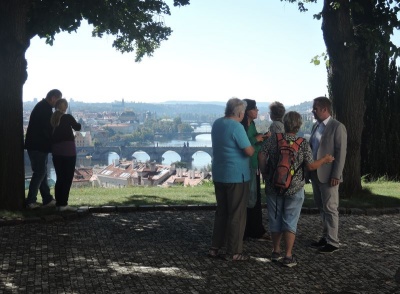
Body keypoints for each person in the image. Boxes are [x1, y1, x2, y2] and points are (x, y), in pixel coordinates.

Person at [259, 111, 334, 267]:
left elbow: (261, 154)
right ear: (299, 125)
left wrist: (265, 172)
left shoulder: (274, 139)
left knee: (275, 219)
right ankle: (288, 255)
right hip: (294, 188)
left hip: (273, 187)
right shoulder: (302, 143)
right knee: (290, 220)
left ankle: (275, 251)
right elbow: (311, 166)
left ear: (285, 124)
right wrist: (325, 160)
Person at [209, 98, 255, 261]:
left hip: (219, 174)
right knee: (237, 214)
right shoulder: (237, 127)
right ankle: (234, 252)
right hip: (237, 176)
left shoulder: (217, 123)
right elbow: (248, 151)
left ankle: (215, 247)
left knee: (222, 212)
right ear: (240, 113)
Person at [309, 97, 347, 254]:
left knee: (331, 208)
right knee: (322, 207)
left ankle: (333, 241)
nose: (313, 111)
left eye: (315, 109)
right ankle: (325, 236)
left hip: (330, 175)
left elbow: (341, 152)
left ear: (325, 109)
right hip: (316, 174)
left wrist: (336, 174)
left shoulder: (337, 127)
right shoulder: (315, 127)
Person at [25, 89, 62, 209]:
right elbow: (48, 129)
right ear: (53, 98)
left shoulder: (42, 107)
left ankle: (47, 199)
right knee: (39, 173)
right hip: (38, 146)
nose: (58, 103)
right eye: (58, 100)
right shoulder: (45, 110)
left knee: (42, 173)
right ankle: (30, 201)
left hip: (36, 146)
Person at [241, 99, 269, 241]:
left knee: (255, 197)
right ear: (248, 111)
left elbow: (254, 140)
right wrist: (256, 139)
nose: (257, 111)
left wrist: (262, 138)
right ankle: (247, 229)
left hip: (253, 164)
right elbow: (244, 144)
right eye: (255, 108)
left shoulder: (251, 124)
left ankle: (254, 228)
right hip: (247, 166)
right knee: (250, 199)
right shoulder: (242, 126)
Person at [51, 99, 81, 212]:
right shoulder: (67, 117)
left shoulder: (52, 118)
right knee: (67, 177)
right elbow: (78, 127)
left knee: (60, 177)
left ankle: (58, 204)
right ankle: (64, 204)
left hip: (56, 151)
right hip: (68, 150)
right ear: (65, 107)